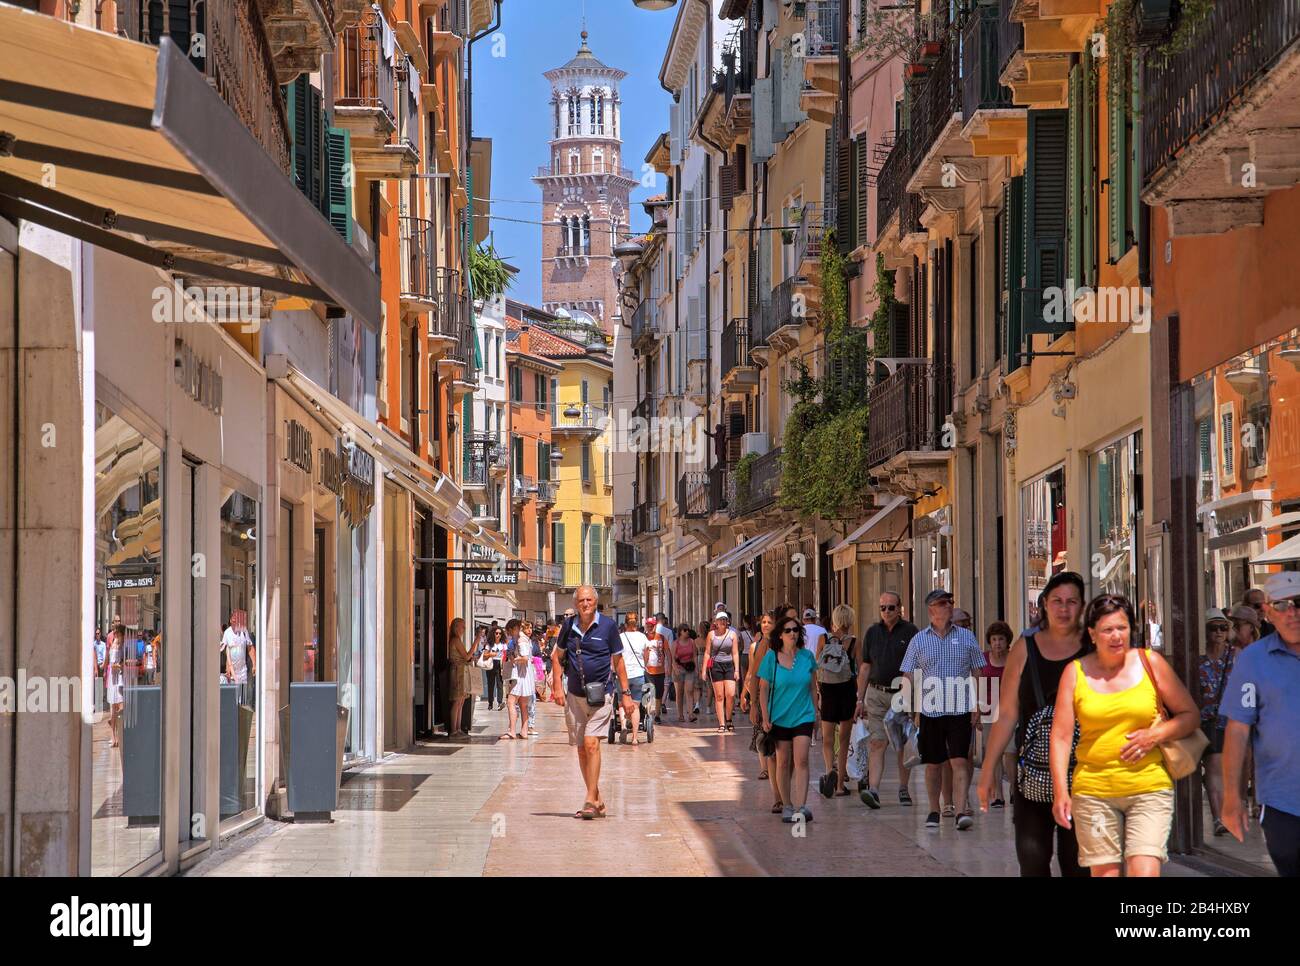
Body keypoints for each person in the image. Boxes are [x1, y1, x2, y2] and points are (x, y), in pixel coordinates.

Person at [1050, 594, 1198, 877]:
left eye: (1123, 627)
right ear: (1092, 634)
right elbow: (1060, 736)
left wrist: (1153, 736)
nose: (1117, 636)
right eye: (1107, 630)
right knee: (1105, 873)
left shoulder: (1150, 663)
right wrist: (1060, 792)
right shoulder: (1075, 673)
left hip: (1149, 786)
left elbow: (1190, 715)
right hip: (1094, 790)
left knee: (1145, 870)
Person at [977, 570, 1089, 876]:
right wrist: (988, 771)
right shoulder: (1025, 649)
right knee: (1033, 862)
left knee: (1079, 866)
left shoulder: (1094, 647)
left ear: (1082, 606)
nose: (1064, 609)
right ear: (1044, 604)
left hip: (1085, 776)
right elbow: (1008, 713)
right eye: (1057, 601)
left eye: (1072, 601)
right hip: (1035, 776)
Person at [1221, 571, 1300, 876]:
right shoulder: (1253, 660)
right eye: (1281, 605)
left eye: (1298, 603)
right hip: (1282, 801)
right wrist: (1232, 797)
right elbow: (1238, 730)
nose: (1291, 613)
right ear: (1267, 612)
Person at [900, 588, 985, 831]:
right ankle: (934, 810)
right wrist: (910, 707)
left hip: (959, 709)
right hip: (931, 711)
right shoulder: (919, 640)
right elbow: (908, 673)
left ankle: (959, 811)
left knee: (959, 760)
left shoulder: (967, 637)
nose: (948, 605)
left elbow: (978, 671)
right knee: (934, 763)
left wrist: (978, 704)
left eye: (950, 601)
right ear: (931, 610)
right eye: (942, 603)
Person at [550, 586, 635, 819]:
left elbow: (618, 663)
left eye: (589, 600)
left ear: (596, 602)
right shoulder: (568, 626)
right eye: (581, 600)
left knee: (591, 744)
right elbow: (557, 658)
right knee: (580, 750)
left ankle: (588, 800)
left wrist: (626, 694)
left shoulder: (608, 627)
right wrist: (557, 685)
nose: (585, 604)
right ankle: (597, 800)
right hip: (575, 695)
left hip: (602, 695)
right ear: (576, 604)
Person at [856, 591, 919, 808]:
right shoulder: (872, 632)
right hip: (876, 694)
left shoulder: (911, 632)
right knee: (877, 742)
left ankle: (903, 788)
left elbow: (916, 665)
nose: (886, 611)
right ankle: (873, 790)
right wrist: (859, 698)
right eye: (882, 607)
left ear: (899, 608)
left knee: (900, 744)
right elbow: (865, 666)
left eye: (891, 607)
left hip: (901, 695)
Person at [758, 615, 820, 823]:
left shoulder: (807, 657)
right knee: (783, 762)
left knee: (801, 760)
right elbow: (763, 690)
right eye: (788, 631)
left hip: (803, 715)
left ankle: (801, 807)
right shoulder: (771, 658)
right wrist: (765, 717)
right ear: (780, 636)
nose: (792, 633)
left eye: (795, 630)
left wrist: (816, 712)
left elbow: (813, 687)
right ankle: (787, 805)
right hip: (779, 717)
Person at [1197, 608, 1234, 835]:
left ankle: (1223, 815)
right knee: (1214, 767)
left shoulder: (1236, 656)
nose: (1219, 633)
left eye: (1223, 628)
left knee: (1223, 770)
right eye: (1213, 628)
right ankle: (1219, 817)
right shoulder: (1197, 659)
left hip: (1230, 721)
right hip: (1202, 720)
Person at [817, 604, 859, 797]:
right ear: (850, 620)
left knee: (827, 738)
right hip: (847, 691)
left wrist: (818, 692)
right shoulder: (853, 642)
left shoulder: (823, 639)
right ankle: (841, 785)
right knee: (843, 740)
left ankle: (828, 771)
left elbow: (817, 665)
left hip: (828, 690)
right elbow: (857, 671)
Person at [742, 609, 781, 802]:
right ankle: (766, 769)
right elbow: (752, 673)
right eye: (763, 622)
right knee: (763, 735)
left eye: (769, 622)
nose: (765, 625)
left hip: (779, 697)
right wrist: (749, 698)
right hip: (762, 696)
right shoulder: (758, 645)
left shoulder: (781, 644)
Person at [978, 621, 1015, 808]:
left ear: (1007, 640)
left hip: (1010, 713)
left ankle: (1014, 788)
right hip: (989, 713)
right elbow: (978, 686)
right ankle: (999, 795)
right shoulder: (983, 660)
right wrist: (976, 712)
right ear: (989, 642)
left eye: (1001, 639)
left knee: (1010, 753)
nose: (998, 643)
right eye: (994, 639)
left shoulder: (1014, 659)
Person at [704, 611, 741, 732]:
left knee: (730, 694)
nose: (723, 622)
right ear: (716, 622)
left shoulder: (732, 635)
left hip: (729, 664)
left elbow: (735, 653)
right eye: (721, 620)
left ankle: (729, 718)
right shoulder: (711, 635)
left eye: (725, 619)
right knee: (719, 696)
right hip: (716, 666)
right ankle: (722, 723)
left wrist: (737, 670)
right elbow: (707, 653)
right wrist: (704, 670)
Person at [617, 612, 649, 745]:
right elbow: (646, 654)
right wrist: (644, 665)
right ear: (637, 623)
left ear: (625, 624)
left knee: (621, 703)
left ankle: (624, 726)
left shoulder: (620, 637)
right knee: (636, 706)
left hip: (623, 675)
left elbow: (615, 656)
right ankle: (635, 738)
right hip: (637, 675)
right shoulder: (642, 637)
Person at [447, 617, 477, 737]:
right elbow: (466, 656)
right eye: (462, 626)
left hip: (460, 671)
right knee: (457, 701)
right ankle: (454, 730)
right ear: (456, 627)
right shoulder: (455, 640)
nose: (464, 629)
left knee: (460, 702)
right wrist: (476, 641)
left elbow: (466, 657)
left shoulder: (457, 640)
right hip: (458, 672)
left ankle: (458, 729)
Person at [643, 615, 667, 723]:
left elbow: (668, 653)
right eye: (648, 625)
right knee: (648, 692)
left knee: (659, 694)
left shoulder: (661, 638)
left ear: (655, 625)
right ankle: (647, 714)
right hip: (647, 670)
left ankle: (657, 715)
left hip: (660, 670)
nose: (650, 627)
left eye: (652, 625)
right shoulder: (643, 638)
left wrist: (670, 667)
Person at [106, 621, 126, 748]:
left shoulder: (120, 645)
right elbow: (113, 664)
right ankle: (114, 736)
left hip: (118, 678)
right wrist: (121, 665)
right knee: (116, 708)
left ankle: (116, 736)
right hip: (115, 679)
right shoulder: (115, 646)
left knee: (117, 708)